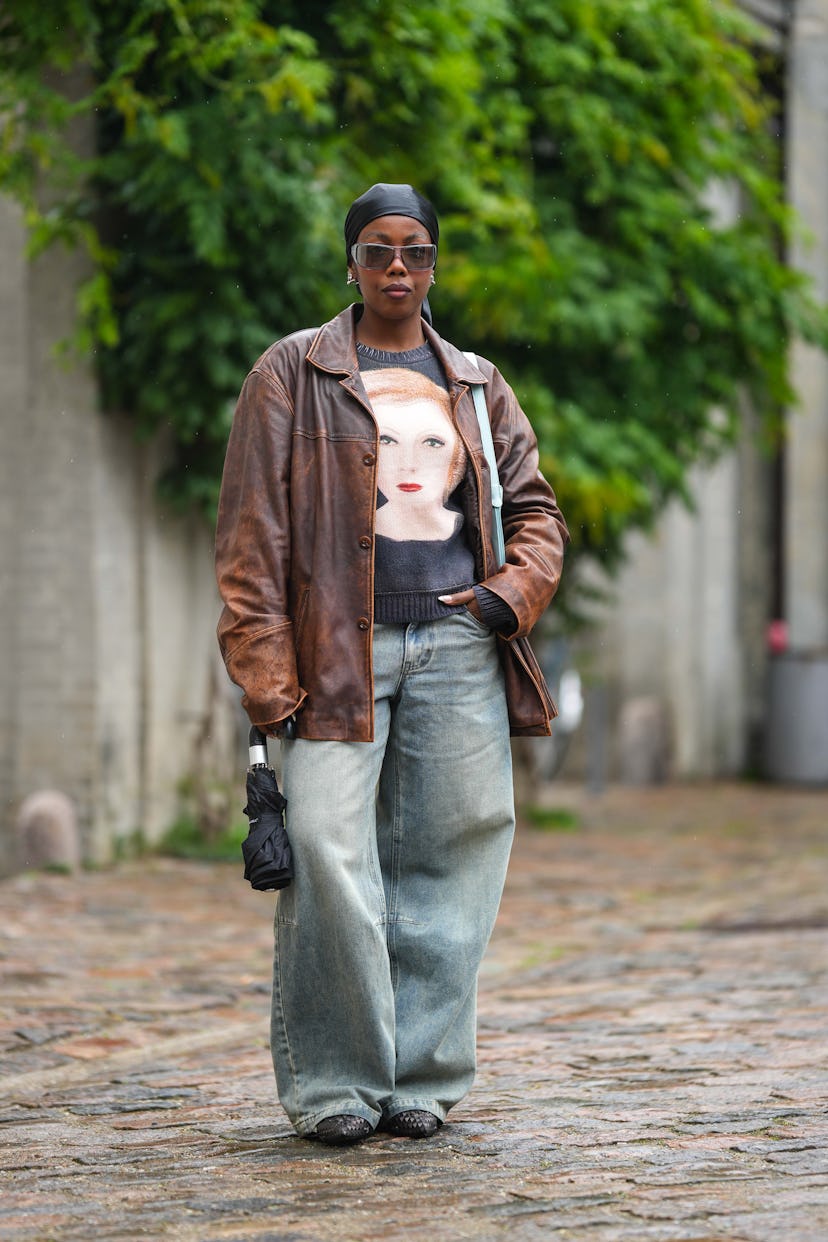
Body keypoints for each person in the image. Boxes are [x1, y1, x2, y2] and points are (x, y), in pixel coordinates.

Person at [215, 183, 569, 1146]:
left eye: (414, 251)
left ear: (435, 263)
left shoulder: (477, 383)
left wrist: (506, 596)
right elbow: (252, 541)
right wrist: (264, 675)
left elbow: (535, 512)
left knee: (451, 859)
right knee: (329, 856)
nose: (398, 269)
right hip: (335, 652)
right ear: (352, 263)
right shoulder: (292, 374)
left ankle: (423, 1077)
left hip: (458, 646)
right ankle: (335, 1082)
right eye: (379, 251)